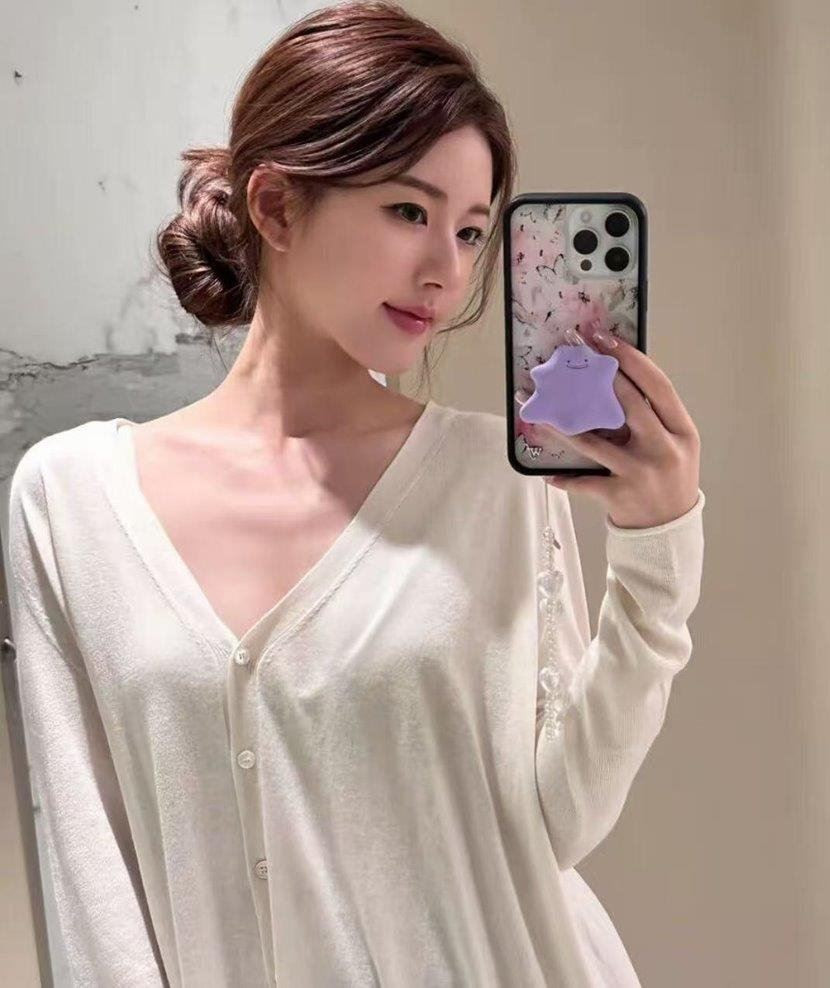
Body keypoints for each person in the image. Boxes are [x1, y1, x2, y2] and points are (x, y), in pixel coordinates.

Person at [6, 2, 706, 985]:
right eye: (410, 212)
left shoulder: (492, 484)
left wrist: (655, 547)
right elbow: (91, 882)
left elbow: (558, 821)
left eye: (471, 230)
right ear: (277, 207)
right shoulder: (71, 503)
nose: (446, 271)